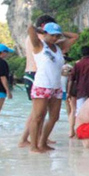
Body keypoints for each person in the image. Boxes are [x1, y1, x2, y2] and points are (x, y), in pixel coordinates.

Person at [18, 15, 78, 146]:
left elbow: (75, 37)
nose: (55, 38)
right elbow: (30, 29)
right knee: (38, 116)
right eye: (52, 35)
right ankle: (34, 145)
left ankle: (43, 142)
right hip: (42, 85)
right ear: (45, 33)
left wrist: (60, 32)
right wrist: (42, 30)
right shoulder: (39, 45)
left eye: (57, 36)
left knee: (54, 117)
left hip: (56, 86)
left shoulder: (58, 47)